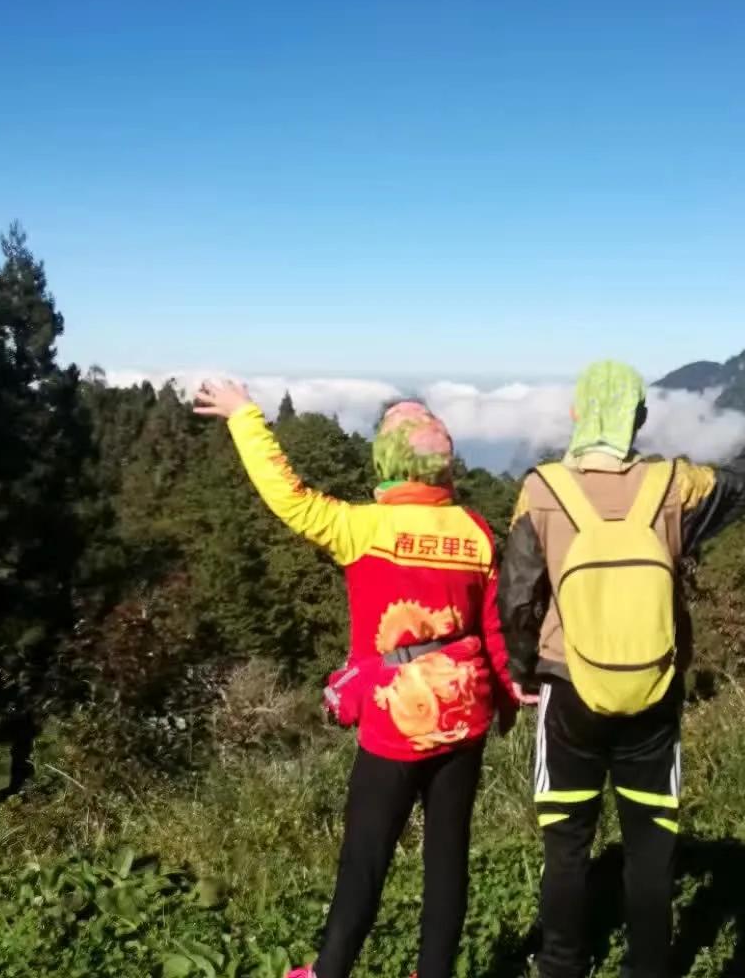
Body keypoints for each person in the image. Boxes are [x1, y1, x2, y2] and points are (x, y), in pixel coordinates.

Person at [193, 382, 519, 978]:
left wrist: (244, 417)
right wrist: (504, 698)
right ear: (443, 466)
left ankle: (330, 970)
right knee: (448, 858)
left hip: (395, 718)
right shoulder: (475, 532)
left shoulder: (362, 527)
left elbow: (288, 498)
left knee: (366, 855)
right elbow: (493, 628)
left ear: (387, 463)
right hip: (464, 711)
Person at [499, 361, 745, 978]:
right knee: (652, 845)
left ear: (578, 414)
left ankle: (560, 966)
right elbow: (740, 486)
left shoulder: (542, 489)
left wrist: (524, 671)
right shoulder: (673, 485)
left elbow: (519, 595)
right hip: (654, 693)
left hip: (568, 686)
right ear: (638, 419)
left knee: (567, 843)